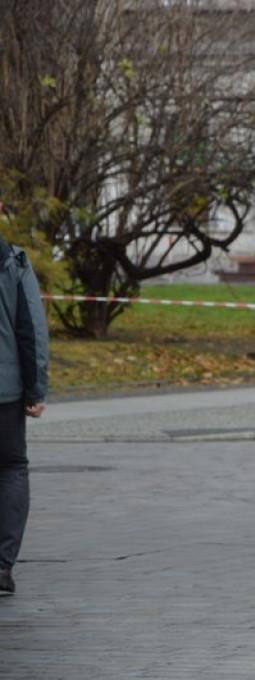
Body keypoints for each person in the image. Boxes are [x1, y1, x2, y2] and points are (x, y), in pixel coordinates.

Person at [0, 207, 50, 596]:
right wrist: (36, 389)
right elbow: (31, 329)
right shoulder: (13, 261)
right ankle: (2, 566)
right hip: (5, 392)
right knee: (12, 468)